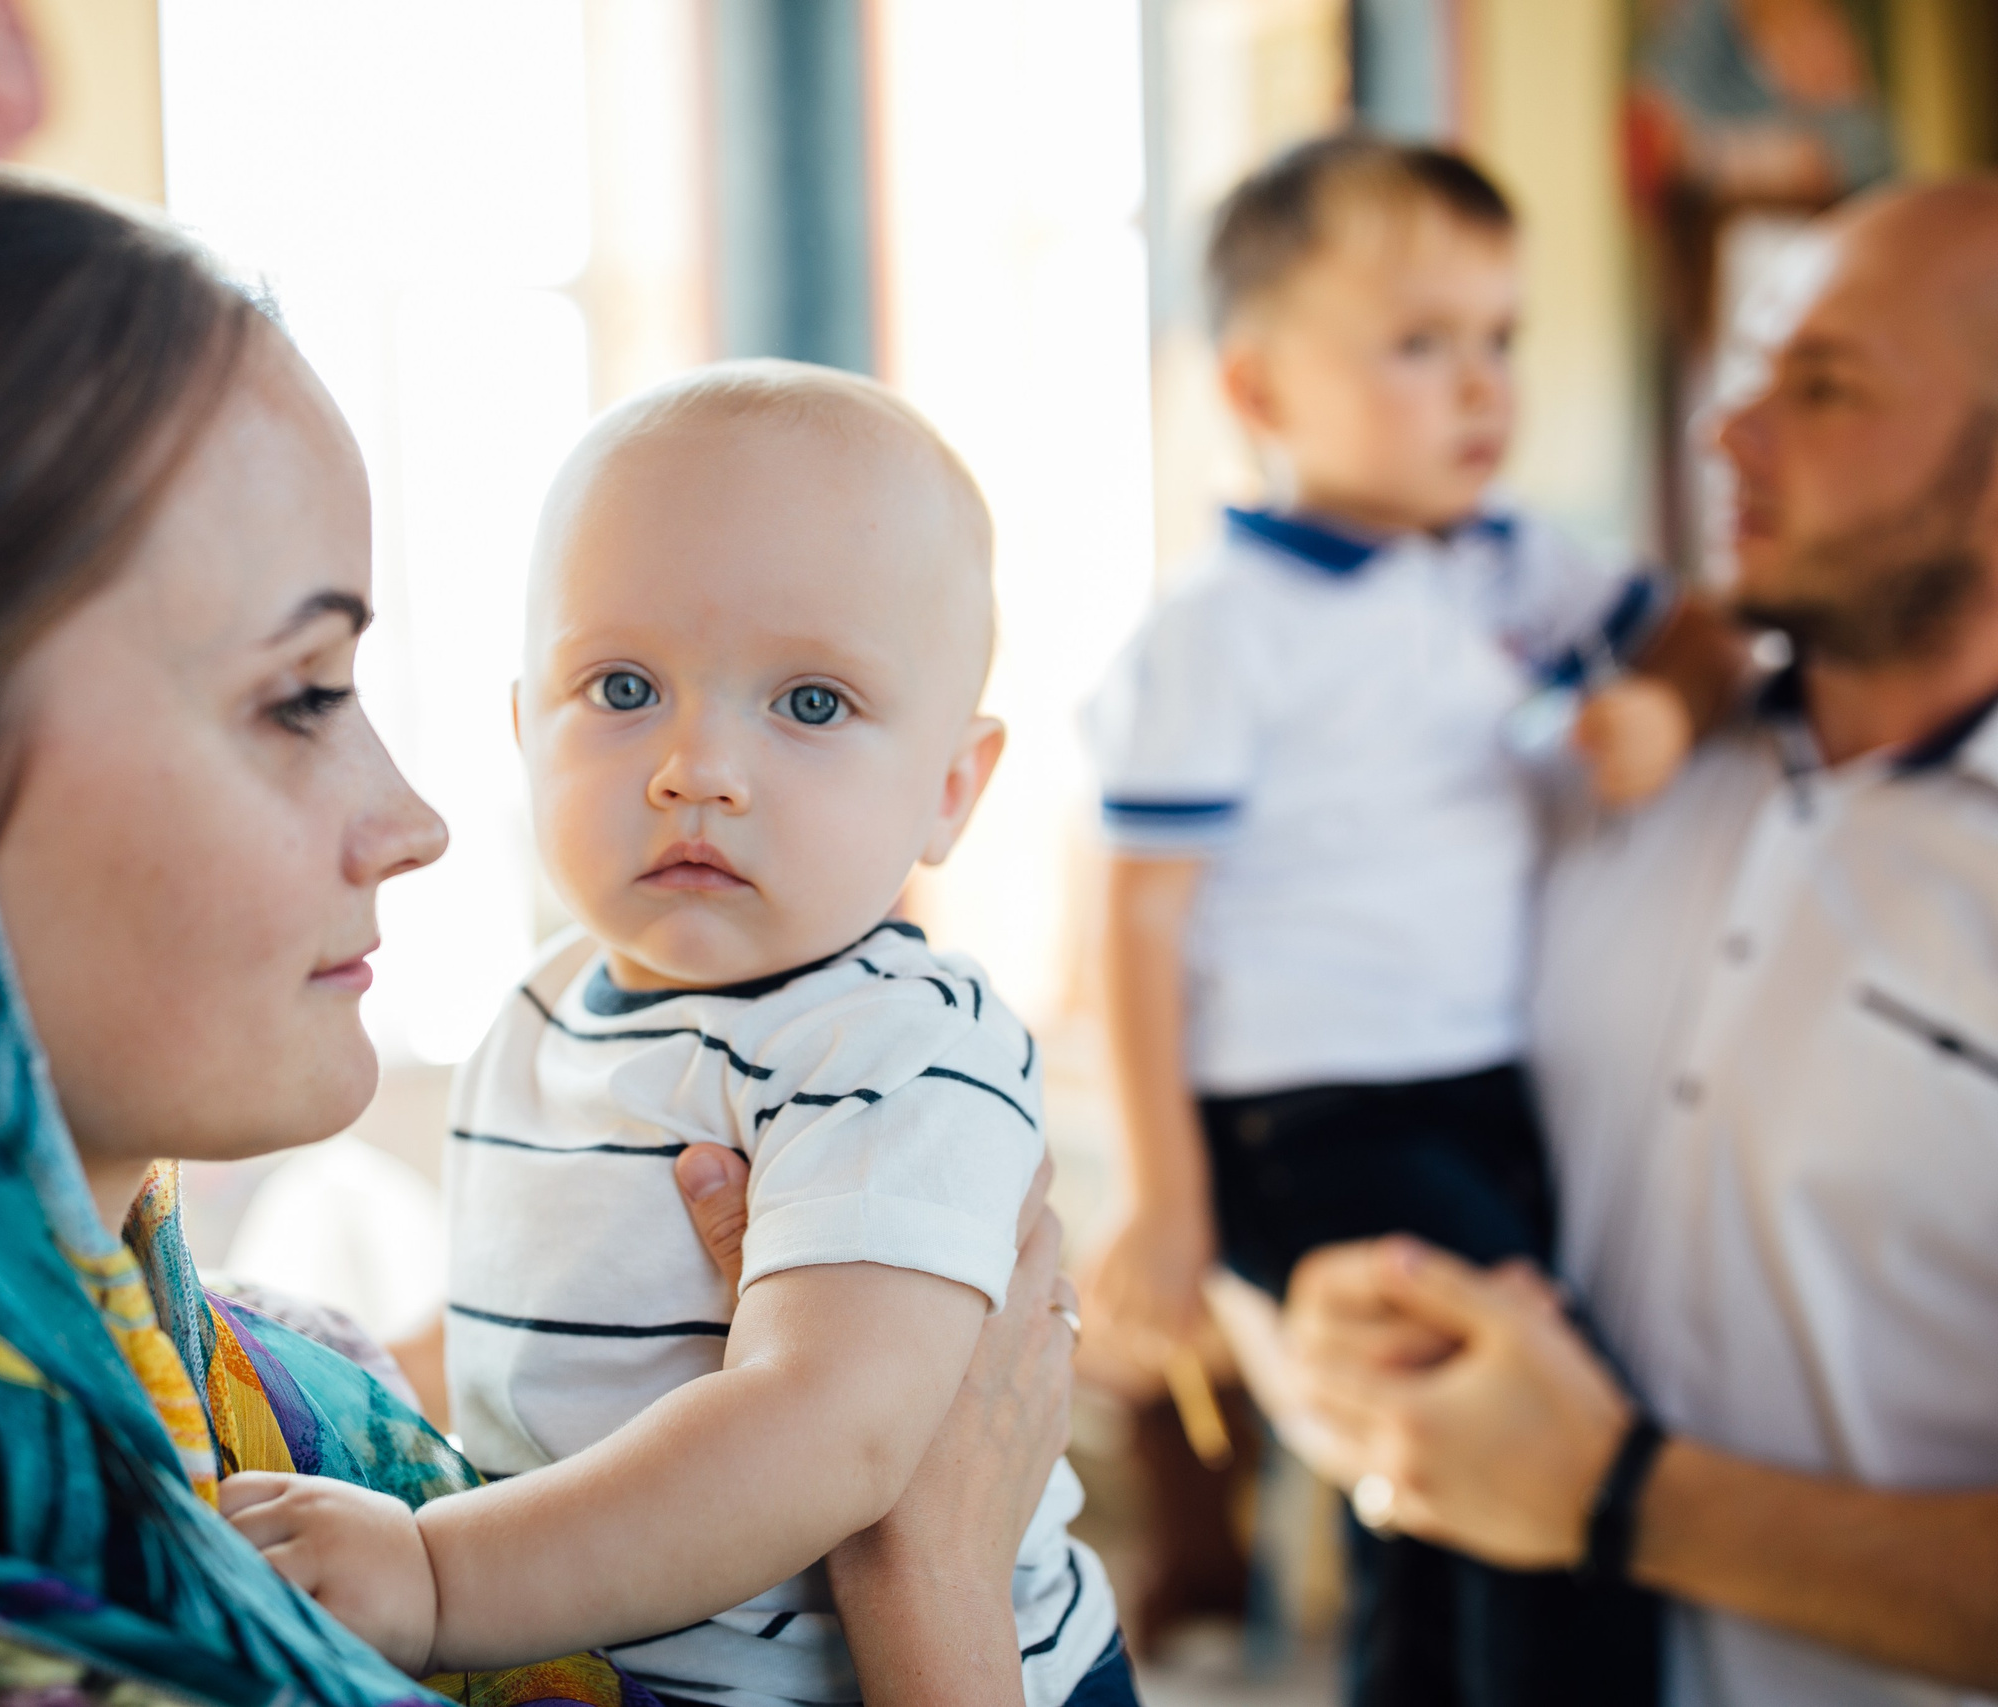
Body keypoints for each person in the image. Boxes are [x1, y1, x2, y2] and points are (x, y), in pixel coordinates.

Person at [0, 161, 1076, 1703]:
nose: (417, 822)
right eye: (296, 698)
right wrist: (925, 1582)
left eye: (812, 703)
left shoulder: (250, 1411)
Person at [218, 362, 1130, 1707]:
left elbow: (835, 1434)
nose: (695, 766)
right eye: (624, 686)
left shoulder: (897, 1048)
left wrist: (435, 1573)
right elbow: (531, 1356)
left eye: (811, 703)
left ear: (951, 789)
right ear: (524, 727)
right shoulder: (538, 1019)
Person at [1271, 178, 1998, 1707]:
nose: (1728, 435)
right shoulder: (1590, 778)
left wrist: (1619, 1500)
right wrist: (1323, 1340)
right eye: (1747, 376)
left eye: (1824, 387)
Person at [1081, 133, 1733, 1706]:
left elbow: (1702, 634)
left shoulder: (1514, 561)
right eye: (1418, 345)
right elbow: (1139, 926)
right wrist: (1168, 1205)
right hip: (1307, 1117)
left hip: (1477, 1091)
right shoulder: (1221, 632)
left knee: (1419, 1501)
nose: (1481, 386)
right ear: (1261, 393)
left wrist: (1663, 706)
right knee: (1541, 1445)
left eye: (1500, 339)